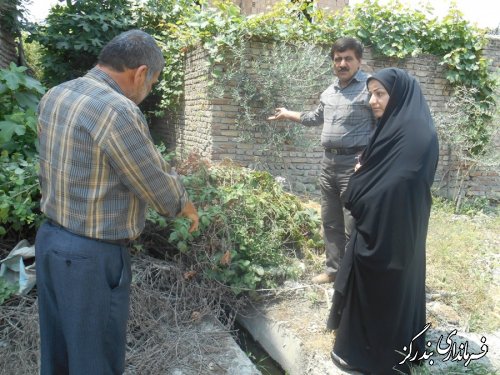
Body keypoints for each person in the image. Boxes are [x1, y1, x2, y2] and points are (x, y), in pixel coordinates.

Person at [35, 30, 199, 375]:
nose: (147, 92)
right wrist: (183, 204)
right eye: (152, 84)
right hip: (91, 258)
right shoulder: (116, 110)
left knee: (58, 355)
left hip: (50, 243)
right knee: (96, 360)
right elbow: (155, 185)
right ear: (140, 73)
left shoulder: (55, 94)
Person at [327, 68, 439, 374]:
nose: (372, 101)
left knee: (386, 286)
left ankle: (376, 357)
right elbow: (373, 171)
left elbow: (398, 183)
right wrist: (362, 178)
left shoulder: (417, 133)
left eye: (380, 94)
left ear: (398, 95)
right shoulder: (391, 128)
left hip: (394, 231)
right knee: (374, 287)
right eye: (370, 93)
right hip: (380, 225)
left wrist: (358, 184)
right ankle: (363, 346)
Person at [268, 37, 375, 284]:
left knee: (354, 222)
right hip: (329, 165)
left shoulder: (369, 88)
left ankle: (356, 275)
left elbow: (383, 125)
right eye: (337, 59)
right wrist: (287, 114)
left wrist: (371, 159)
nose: (342, 63)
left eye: (348, 58)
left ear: (359, 61)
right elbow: (314, 117)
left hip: (355, 165)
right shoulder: (329, 91)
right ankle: (334, 270)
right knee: (330, 220)